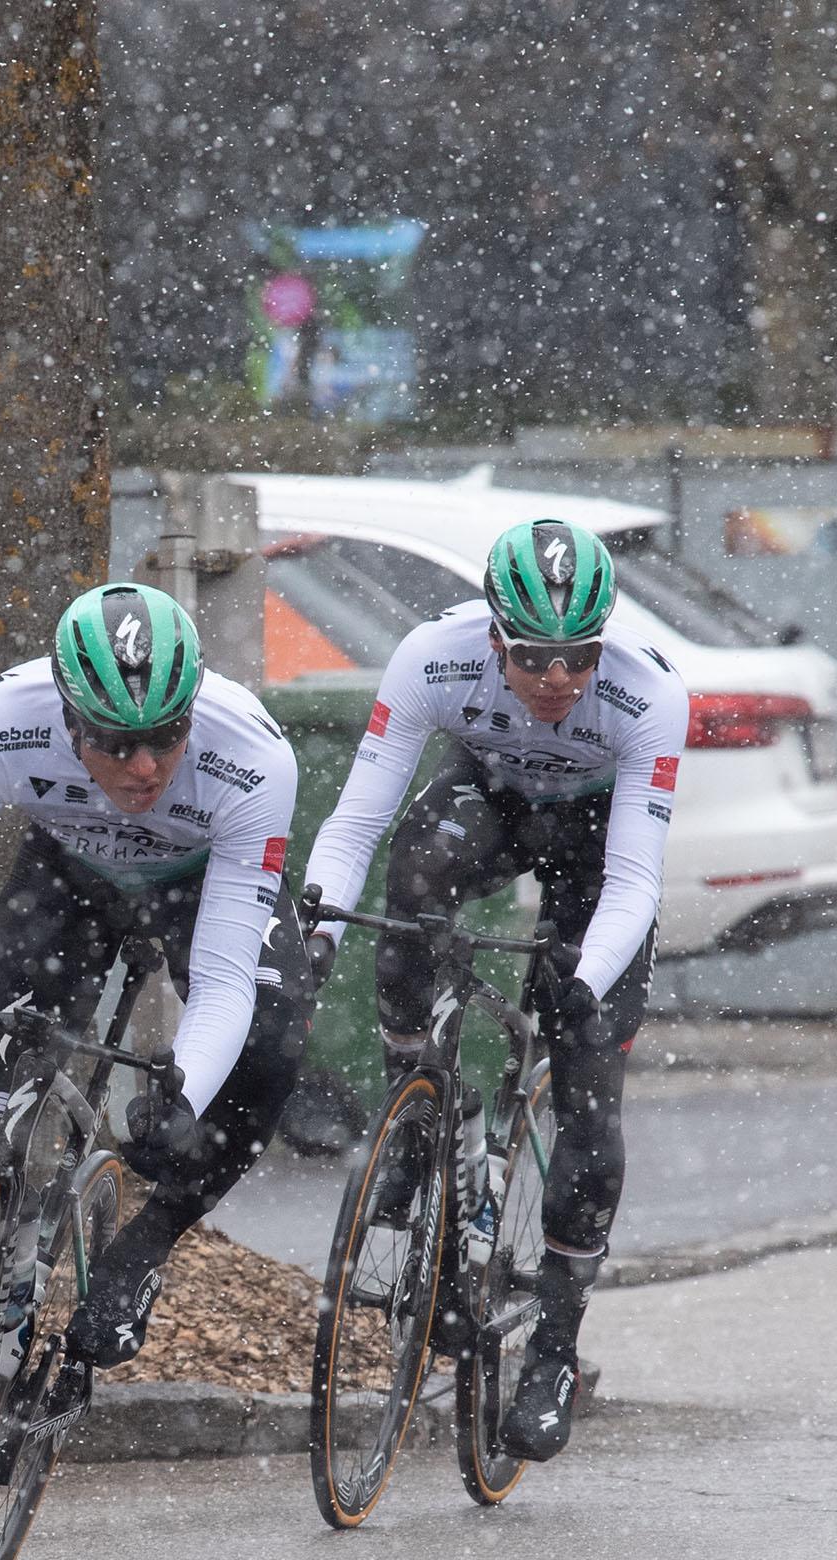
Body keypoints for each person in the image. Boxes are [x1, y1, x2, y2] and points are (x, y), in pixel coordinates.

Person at [0, 581, 311, 1386]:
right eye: (115, 743)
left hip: (198, 884)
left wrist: (180, 1096)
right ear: (66, 717)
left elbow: (223, 978)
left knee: (272, 1038)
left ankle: (147, 1243)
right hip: (69, 879)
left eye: (166, 735)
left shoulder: (251, 758)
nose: (145, 766)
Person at [301, 517, 687, 1463]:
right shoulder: (431, 660)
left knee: (590, 1104)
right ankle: (422, 1100)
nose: (558, 679)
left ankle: (555, 1344)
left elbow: (635, 880)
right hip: (495, 805)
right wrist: (313, 929)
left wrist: (588, 984)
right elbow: (355, 823)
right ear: (491, 638)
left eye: (578, 656)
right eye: (532, 657)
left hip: (599, 848)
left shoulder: (649, 696)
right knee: (414, 881)